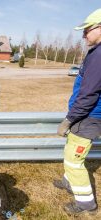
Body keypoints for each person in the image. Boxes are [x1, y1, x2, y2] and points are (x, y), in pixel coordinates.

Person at [55, 8, 101, 215]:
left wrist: (69, 119)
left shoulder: (99, 55)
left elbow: (89, 94)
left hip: (88, 117)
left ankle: (85, 204)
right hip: (84, 115)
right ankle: (68, 182)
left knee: (74, 161)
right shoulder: (96, 53)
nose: (84, 35)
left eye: (87, 30)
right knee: (70, 152)